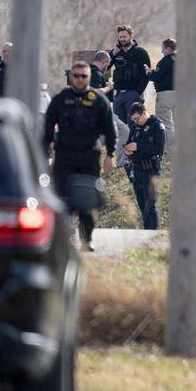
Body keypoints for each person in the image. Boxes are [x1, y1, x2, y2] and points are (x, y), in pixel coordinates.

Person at [43, 61, 117, 251]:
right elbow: (47, 129)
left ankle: (87, 238)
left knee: (87, 200)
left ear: (89, 77)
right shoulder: (60, 99)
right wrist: (45, 155)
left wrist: (110, 154)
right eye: (76, 75)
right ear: (70, 77)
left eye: (83, 76)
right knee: (63, 198)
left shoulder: (99, 99)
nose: (79, 79)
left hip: (89, 157)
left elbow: (110, 129)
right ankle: (65, 238)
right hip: (64, 157)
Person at [124, 101, 166, 230]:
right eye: (133, 119)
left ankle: (151, 235)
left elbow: (159, 149)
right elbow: (129, 143)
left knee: (150, 205)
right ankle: (146, 233)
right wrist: (127, 150)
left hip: (151, 170)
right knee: (142, 205)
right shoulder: (134, 127)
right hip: (137, 170)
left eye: (137, 118)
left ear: (144, 113)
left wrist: (138, 147)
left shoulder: (157, 126)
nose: (136, 121)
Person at [110, 23, 152, 123]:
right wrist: (113, 54)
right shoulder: (117, 52)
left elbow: (146, 74)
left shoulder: (140, 52)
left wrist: (138, 92)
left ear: (131, 36)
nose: (122, 39)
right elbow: (105, 66)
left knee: (133, 124)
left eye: (124, 36)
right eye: (120, 37)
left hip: (133, 94)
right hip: (119, 95)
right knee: (119, 126)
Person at [151, 38, 176, 153]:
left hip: (166, 94)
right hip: (181, 94)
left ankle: (169, 150)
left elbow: (156, 77)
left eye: (163, 48)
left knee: (165, 122)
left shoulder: (165, 61)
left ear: (168, 49)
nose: (161, 51)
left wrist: (149, 72)